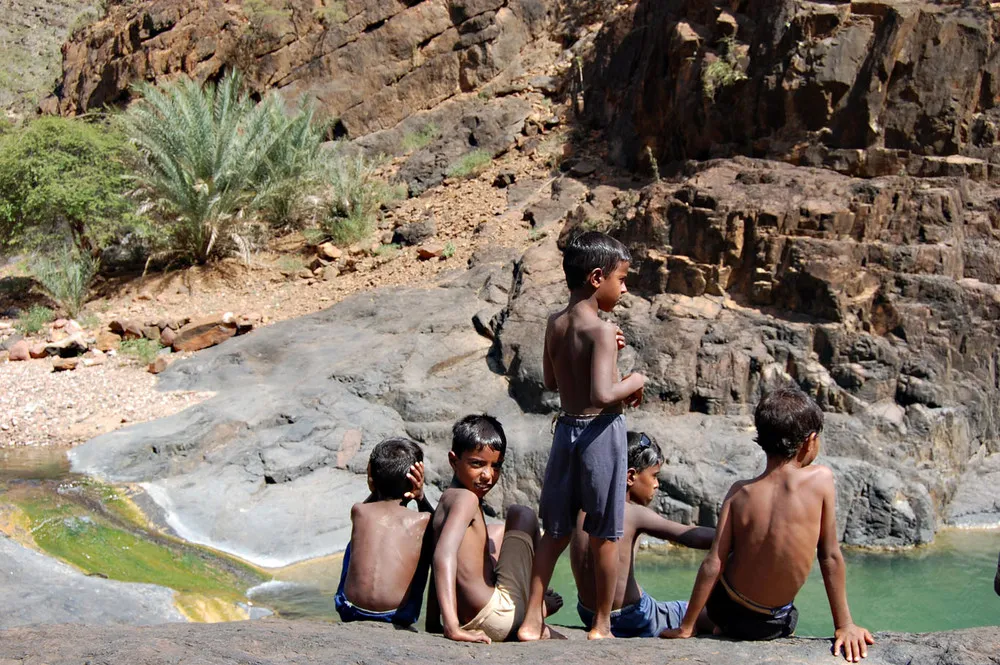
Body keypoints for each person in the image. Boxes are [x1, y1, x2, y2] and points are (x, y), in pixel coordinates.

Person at [662, 388, 875, 663]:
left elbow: (713, 563)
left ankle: (704, 623)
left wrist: (686, 627)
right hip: (773, 623)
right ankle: (711, 623)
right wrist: (844, 625)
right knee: (788, 613)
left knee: (731, 552)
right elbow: (829, 555)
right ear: (809, 442)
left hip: (726, 611)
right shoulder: (821, 479)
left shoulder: (740, 492)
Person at [519, 231, 646, 641]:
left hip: (566, 431)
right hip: (601, 434)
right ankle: (602, 625)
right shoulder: (603, 330)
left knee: (555, 531)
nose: (624, 288)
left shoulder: (555, 322)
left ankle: (531, 621)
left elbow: (552, 379)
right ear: (596, 277)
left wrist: (609, 356)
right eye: (621, 279)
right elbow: (604, 395)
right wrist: (636, 379)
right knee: (606, 535)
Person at [430, 415, 560, 643]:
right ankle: (534, 609)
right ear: (453, 461)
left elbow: (436, 552)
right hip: (496, 617)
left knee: (497, 531)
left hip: (472, 617)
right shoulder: (467, 500)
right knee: (522, 514)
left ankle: (531, 605)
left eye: (495, 466)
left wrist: (434, 620)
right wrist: (452, 629)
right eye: (477, 464)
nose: (488, 475)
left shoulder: (447, 499)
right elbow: (443, 555)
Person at [571, 431, 715, 637]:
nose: (657, 485)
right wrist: (731, 536)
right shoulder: (632, 513)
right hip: (630, 616)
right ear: (631, 476)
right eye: (654, 476)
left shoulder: (584, 507)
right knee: (700, 612)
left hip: (587, 612)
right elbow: (687, 536)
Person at [335, 437, 433, 627]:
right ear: (416, 479)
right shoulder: (423, 520)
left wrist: (374, 482)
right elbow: (441, 529)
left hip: (350, 609)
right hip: (399, 615)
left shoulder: (359, 511)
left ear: (370, 473)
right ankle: (433, 623)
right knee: (425, 543)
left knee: (355, 542)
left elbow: (372, 506)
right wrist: (420, 497)